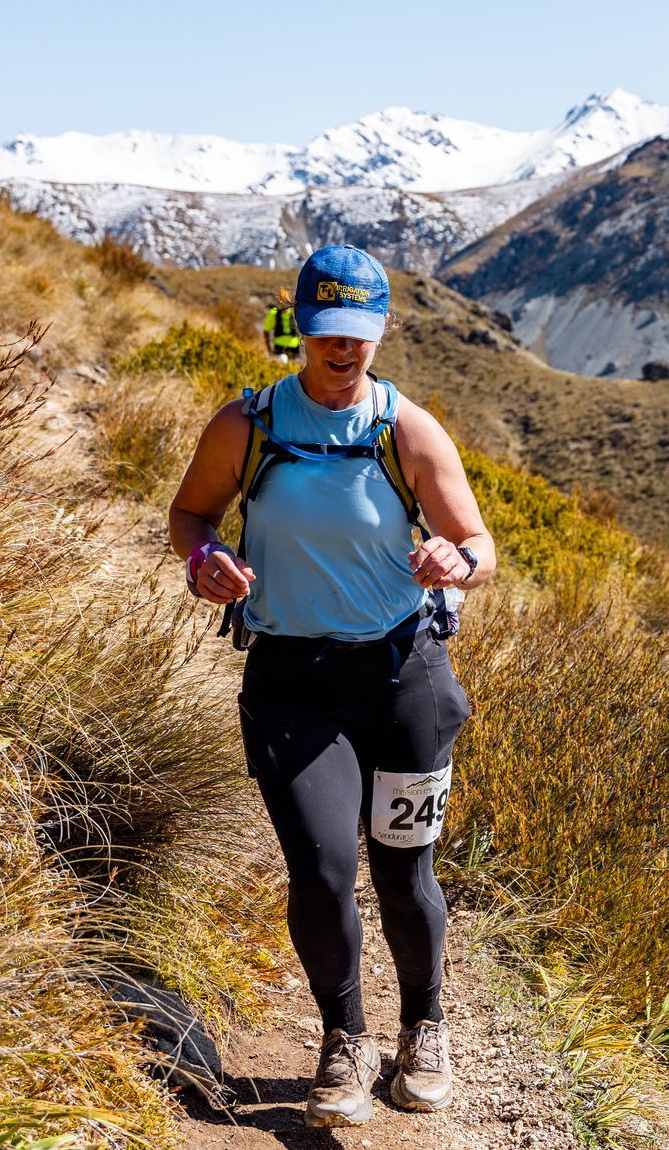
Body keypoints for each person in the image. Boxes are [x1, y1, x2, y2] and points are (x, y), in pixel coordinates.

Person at [168, 245, 495, 1127]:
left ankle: (425, 1026)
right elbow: (189, 513)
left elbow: (480, 544)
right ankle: (344, 1041)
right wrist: (206, 560)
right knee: (318, 869)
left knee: (403, 872)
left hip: (404, 681)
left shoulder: (408, 431)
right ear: (298, 330)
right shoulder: (249, 425)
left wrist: (453, 561)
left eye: (359, 334)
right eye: (326, 334)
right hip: (292, 683)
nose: (343, 351)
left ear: (381, 330)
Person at [264, 286, 302, 361]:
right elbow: (266, 331)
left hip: (294, 350)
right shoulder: (274, 313)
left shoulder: (294, 312)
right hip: (279, 350)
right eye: (281, 300)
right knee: (283, 361)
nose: (283, 302)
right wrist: (269, 350)